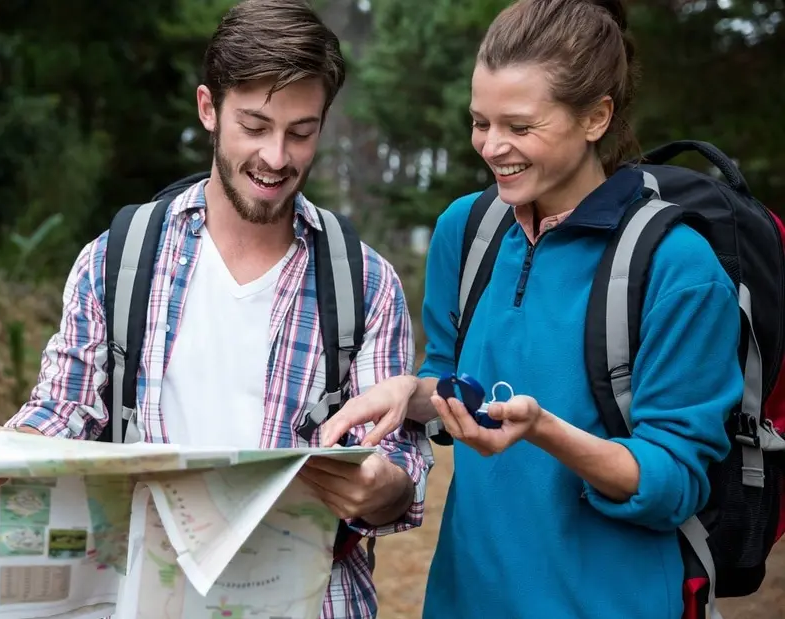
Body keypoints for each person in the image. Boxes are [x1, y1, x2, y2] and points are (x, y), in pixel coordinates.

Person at [0, 0, 431, 616]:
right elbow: (65, 408)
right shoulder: (118, 260)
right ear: (209, 108)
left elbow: (395, 467)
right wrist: (10, 450)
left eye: (301, 131)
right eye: (255, 126)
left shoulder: (365, 282)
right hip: (147, 595)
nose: (276, 158)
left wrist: (382, 489)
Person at [318, 0, 744, 617]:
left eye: (519, 127)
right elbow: (456, 384)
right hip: (465, 600)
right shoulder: (465, 231)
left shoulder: (677, 267)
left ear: (596, 117)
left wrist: (545, 432)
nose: (492, 147)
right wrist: (409, 390)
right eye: (479, 122)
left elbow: (675, 483)